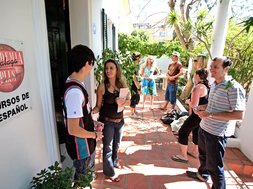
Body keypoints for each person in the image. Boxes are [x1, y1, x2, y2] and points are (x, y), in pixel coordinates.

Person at [186, 57, 246, 189]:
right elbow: (212, 105)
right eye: (211, 66)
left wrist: (211, 114)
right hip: (204, 127)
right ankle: (202, 174)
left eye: (215, 67)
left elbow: (239, 115)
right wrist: (203, 107)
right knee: (203, 157)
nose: (211, 70)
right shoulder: (215, 84)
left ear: (226, 69)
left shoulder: (234, 88)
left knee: (215, 167)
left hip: (217, 133)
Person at [62, 45, 103, 181]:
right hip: (82, 148)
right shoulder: (75, 92)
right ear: (87, 63)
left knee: (84, 177)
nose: (91, 68)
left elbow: (79, 117)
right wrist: (94, 135)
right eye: (91, 64)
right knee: (83, 180)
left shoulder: (75, 83)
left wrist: (92, 122)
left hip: (85, 145)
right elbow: (73, 129)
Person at [93, 59, 130, 182]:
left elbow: (131, 103)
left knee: (117, 145)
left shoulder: (122, 85)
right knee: (107, 147)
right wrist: (93, 110)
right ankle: (110, 172)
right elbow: (98, 105)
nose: (108, 70)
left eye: (111, 68)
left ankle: (114, 161)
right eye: (106, 68)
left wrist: (123, 102)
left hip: (120, 121)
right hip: (107, 121)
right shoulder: (102, 86)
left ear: (116, 70)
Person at [171, 68, 209, 163]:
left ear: (197, 76)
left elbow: (194, 106)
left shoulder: (198, 88)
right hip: (202, 116)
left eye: (194, 75)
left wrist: (188, 102)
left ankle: (183, 156)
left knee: (183, 132)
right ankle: (195, 151)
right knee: (196, 131)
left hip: (197, 115)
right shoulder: (207, 86)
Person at [130, 52, 142, 118]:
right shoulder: (134, 66)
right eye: (139, 57)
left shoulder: (136, 65)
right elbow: (134, 77)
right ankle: (132, 114)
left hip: (136, 83)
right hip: (133, 84)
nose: (140, 58)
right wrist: (138, 87)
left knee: (136, 98)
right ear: (137, 58)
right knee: (134, 98)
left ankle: (134, 111)